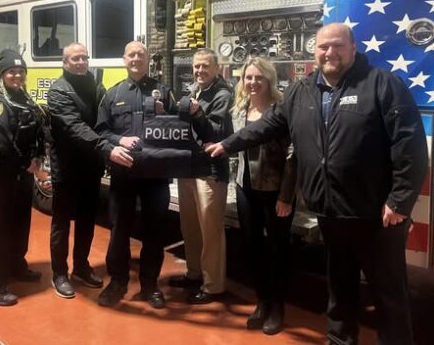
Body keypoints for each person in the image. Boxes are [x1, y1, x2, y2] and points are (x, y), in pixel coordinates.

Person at [207, 23, 428, 345]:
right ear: (315, 51)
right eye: (323, 47)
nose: (329, 52)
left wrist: (400, 200)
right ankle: (340, 340)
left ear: (353, 48)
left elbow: (410, 145)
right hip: (329, 208)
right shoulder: (303, 90)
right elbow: (268, 124)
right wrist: (228, 144)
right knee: (339, 285)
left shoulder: (381, 84)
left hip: (375, 212)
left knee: (387, 291)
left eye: (338, 46)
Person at [48, 43, 133, 299]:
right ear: (65, 63)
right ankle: (59, 273)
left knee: (87, 219)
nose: (81, 62)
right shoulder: (58, 91)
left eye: (84, 58)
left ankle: (81, 267)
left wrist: (123, 136)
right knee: (62, 222)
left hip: (91, 165)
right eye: (75, 59)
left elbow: (107, 117)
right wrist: (107, 148)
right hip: (66, 167)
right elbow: (75, 127)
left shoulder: (96, 86)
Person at [94, 41, 175, 309]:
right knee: (119, 228)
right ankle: (117, 282)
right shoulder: (112, 94)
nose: (136, 58)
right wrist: (120, 140)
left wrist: (168, 116)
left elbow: (180, 128)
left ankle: (150, 285)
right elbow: (101, 132)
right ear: (124, 59)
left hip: (156, 173)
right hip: (124, 172)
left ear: (148, 59)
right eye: (132, 54)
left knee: (155, 230)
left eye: (141, 54)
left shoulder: (164, 92)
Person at [230, 57, 297, 335]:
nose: (253, 82)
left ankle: (277, 307)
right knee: (252, 247)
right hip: (245, 188)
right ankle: (262, 301)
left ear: (269, 79)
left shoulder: (281, 110)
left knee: (277, 250)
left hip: (275, 191)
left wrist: (286, 196)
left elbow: (293, 154)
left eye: (259, 77)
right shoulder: (239, 109)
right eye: (248, 77)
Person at [0, 49, 45, 306]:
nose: (17, 75)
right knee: (0, 226)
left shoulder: (25, 99)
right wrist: (27, 164)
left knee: (20, 221)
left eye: (20, 71)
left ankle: (16, 265)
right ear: (2, 75)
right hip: (2, 173)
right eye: (11, 72)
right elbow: (3, 142)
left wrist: (37, 157)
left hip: (23, 171)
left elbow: (38, 131)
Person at [168, 48, 233, 304]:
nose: (200, 70)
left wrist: (197, 113)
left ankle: (213, 286)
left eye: (205, 66)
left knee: (210, 231)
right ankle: (194, 273)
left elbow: (217, 133)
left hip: (210, 170)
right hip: (188, 167)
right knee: (190, 227)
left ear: (216, 68)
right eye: (197, 66)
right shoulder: (194, 91)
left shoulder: (222, 95)